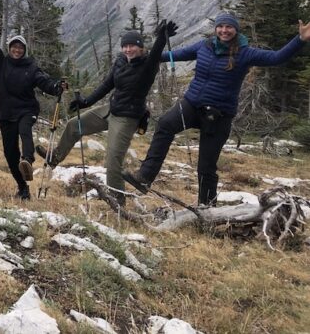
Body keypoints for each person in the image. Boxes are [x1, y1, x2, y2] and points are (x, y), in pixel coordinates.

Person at [124, 13, 310, 205]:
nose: (224, 30)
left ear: (236, 30)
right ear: (216, 29)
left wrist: (301, 39)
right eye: (220, 26)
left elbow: (277, 57)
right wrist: (144, 53)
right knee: (165, 124)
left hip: (219, 115)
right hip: (192, 104)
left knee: (206, 166)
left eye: (229, 27)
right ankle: (145, 177)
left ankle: (207, 209)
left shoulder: (245, 53)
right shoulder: (204, 46)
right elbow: (170, 55)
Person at [37, 20, 176, 204]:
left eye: (132, 46)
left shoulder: (147, 66)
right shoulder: (120, 62)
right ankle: (55, 157)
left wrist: (160, 39)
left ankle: (117, 200)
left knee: (112, 162)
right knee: (73, 125)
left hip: (127, 118)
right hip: (111, 109)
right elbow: (106, 85)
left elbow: (155, 54)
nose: (128, 50)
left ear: (141, 48)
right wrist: (85, 102)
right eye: (125, 46)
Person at [0, 6, 65, 200]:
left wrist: (56, 87)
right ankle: (22, 187)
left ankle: (27, 160)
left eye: (20, 47)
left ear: (24, 50)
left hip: (27, 109)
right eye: (14, 47)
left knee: (25, 130)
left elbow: (45, 82)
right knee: (9, 153)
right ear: (9, 48)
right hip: (7, 112)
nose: (17, 50)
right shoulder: (2, 63)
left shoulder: (31, 67)